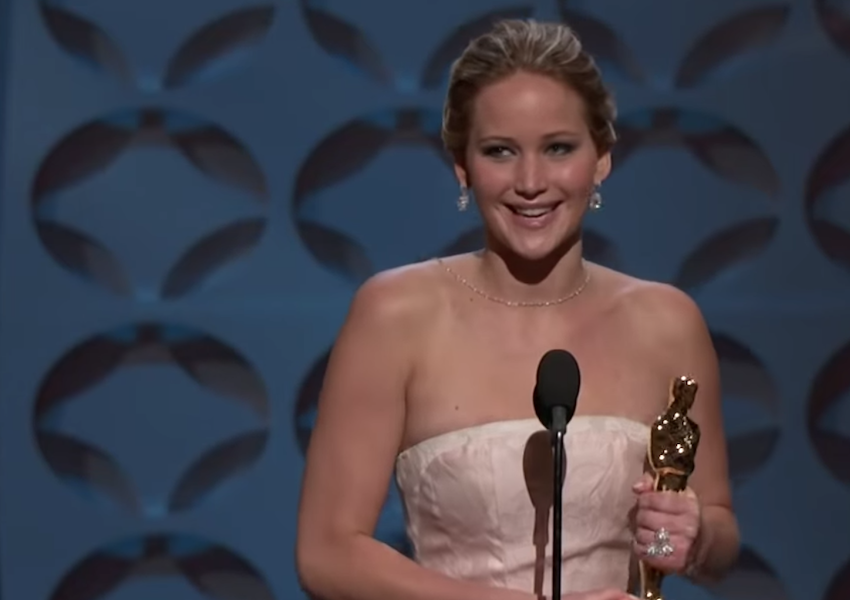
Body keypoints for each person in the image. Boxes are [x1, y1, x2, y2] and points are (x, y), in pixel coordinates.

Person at [295, 18, 739, 600]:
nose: (531, 182)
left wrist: (688, 539)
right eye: (500, 151)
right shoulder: (396, 314)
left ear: (601, 158)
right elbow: (327, 553)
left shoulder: (666, 322)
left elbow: (708, 534)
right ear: (463, 166)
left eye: (558, 148)